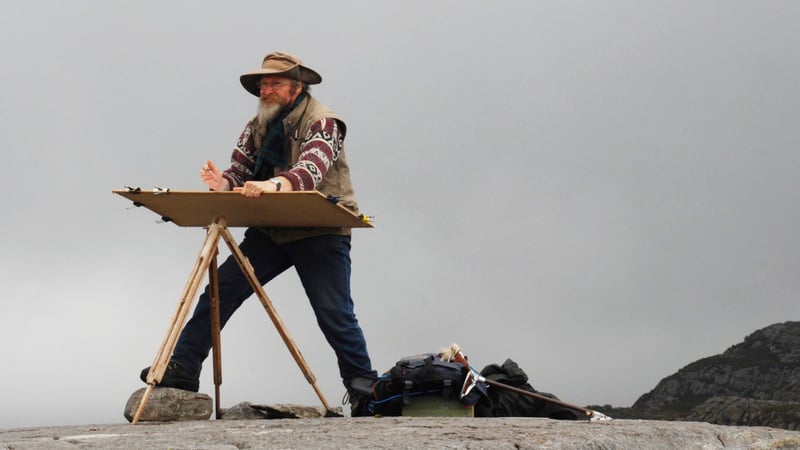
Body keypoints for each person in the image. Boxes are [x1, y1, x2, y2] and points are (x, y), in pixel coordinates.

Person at [139, 51, 377, 416]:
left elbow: (310, 171)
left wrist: (272, 185)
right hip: (272, 226)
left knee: (335, 313)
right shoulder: (258, 125)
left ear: (297, 88)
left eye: (274, 84)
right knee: (220, 291)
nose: (266, 90)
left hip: (319, 228)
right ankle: (184, 369)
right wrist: (223, 183)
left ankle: (365, 390)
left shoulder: (325, 122)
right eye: (263, 85)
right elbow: (240, 169)